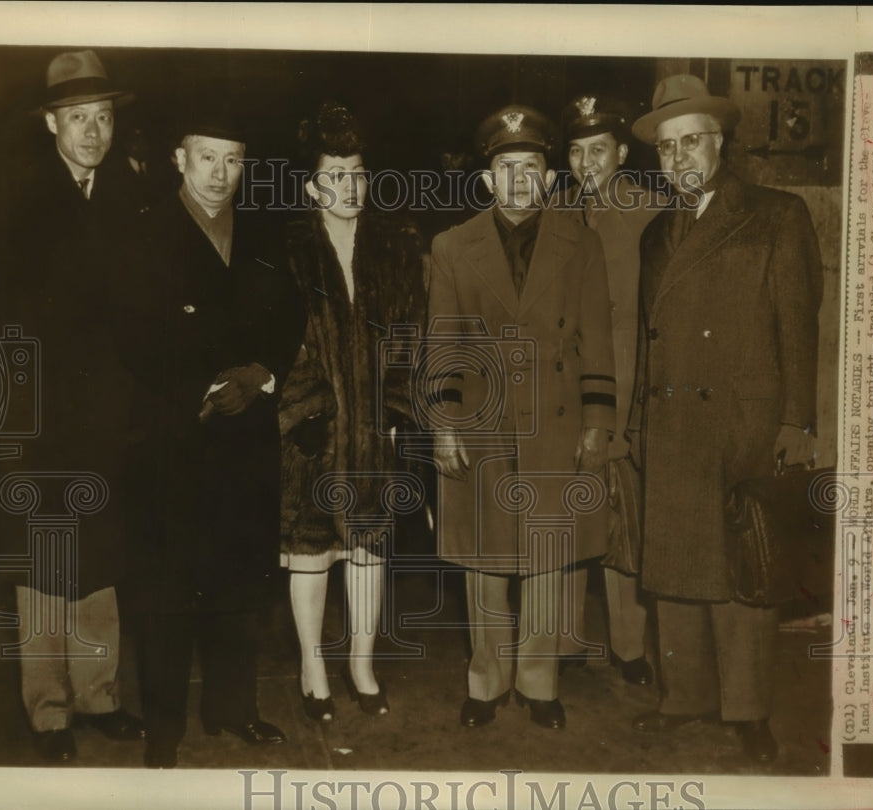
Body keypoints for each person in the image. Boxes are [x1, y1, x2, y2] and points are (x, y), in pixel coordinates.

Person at [627, 74, 822, 762]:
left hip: (744, 421)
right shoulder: (655, 234)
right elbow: (651, 339)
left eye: (692, 142)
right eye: (667, 147)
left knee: (745, 572)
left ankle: (748, 712)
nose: (679, 158)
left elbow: (800, 326)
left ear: (721, 143)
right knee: (676, 571)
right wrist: (635, 426)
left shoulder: (777, 214)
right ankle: (682, 697)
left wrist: (796, 424)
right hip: (671, 425)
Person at [113, 109, 305, 768]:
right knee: (167, 591)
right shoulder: (145, 233)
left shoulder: (261, 231)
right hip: (174, 435)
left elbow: (290, 314)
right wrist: (200, 385)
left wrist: (261, 373)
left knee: (237, 587)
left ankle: (234, 710)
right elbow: (133, 334)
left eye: (231, 159)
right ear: (179, 159)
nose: (220, 174)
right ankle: (162, 730)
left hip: (245, 437)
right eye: (206, 158)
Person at [427, 105, 616, 730]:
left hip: (555, 424)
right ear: (487, 179)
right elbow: (441, 342)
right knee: (484, 559)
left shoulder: (580, 243)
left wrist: (596, 420)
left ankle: (539, 681)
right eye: (505, 168)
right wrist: (445, 423)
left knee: (546, 557)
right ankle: (486, 680)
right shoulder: (453, 246)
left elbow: (597, 337)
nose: (517, 180)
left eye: (529, 167)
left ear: (549, 176)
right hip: (482, 423)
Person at [0, 49, 147, 765]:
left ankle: (100, 697)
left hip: (106, 411)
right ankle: (49, 711)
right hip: (42, 409)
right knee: (47, 558)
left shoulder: (123, 196)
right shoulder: (18, 199)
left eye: (103, 117)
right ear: (52, 122)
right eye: (78, 117)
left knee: (101, 555)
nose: (93, 131)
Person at [280, 102, 427, 722]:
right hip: (311, 432)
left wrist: (396, 407)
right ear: (313, 184)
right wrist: (304, 410)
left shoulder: (392, 245)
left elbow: (409, 331)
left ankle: (362, 665)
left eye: (358, 174)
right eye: (334, 175)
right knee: (311, 552)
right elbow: (275, 339)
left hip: (373, 431)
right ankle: (313, 666)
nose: (348, 187)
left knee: (369, 550)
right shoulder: (287, 248)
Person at [555, 94, 660, 686]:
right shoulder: (555, 214)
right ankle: (567, 642)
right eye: (575, 150)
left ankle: (629, 648)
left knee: (623, 525)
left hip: (623, 392)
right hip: (567, 395)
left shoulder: (650, 214)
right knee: (570, 519)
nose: (586, 162)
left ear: (621, 153)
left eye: (598, 150)